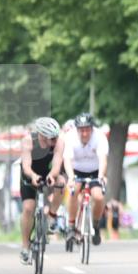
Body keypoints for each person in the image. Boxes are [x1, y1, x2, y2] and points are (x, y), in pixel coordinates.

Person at [19, 117, 66, 264]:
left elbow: (57, 164)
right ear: (42, 135)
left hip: (48, 171)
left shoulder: (59, 142)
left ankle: (52, 216)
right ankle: (25, 246)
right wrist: (33, 176)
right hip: (30, 173)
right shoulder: (28, 141)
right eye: (51, 138)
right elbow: (26, 166)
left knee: (61, 182)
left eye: (55, 137)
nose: (54, 141)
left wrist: (52, 175)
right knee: (29, 207)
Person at [63, 112, 109, 246]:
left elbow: (103, 159)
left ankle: (96, 223)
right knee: (74, 191)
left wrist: (101, 176)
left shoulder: (99, 137)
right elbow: (67, 160)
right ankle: (71, 225)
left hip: (95, 171)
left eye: (87, 130)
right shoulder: (70, 137)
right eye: (81, 130)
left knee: (99, 197)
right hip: (77, 171)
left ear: (92, 128)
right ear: (77, 130)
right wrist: (70, 177)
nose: (84, 133)